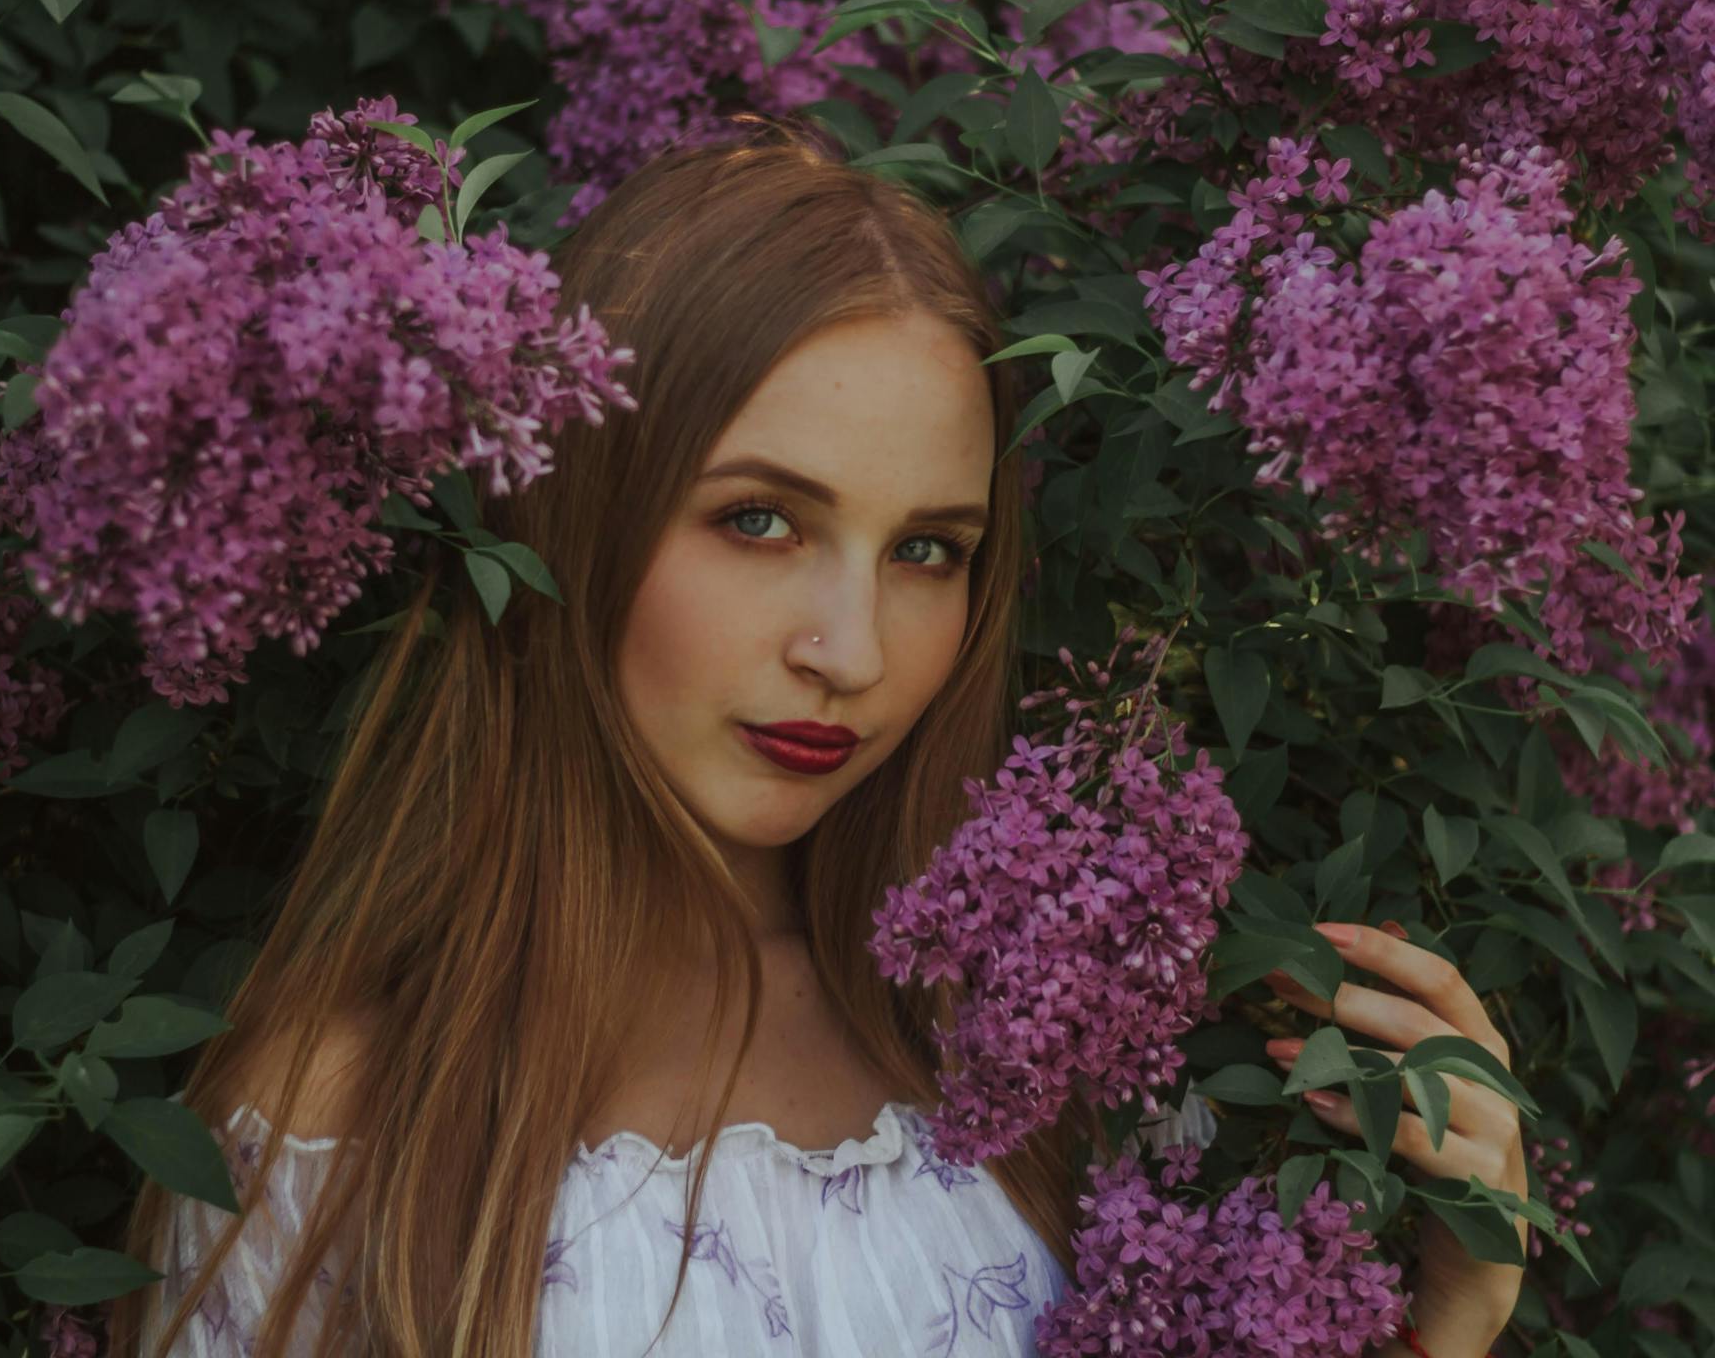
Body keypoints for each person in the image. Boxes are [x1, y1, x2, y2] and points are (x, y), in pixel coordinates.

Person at [105, 119, 1526, 1358]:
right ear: (575, 514)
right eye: (760, 520)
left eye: (926, 549)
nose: (849, 653)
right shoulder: (339, 1118)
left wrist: (1438, 1325)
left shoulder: (1039, 1056)